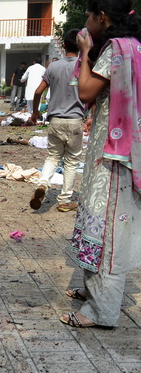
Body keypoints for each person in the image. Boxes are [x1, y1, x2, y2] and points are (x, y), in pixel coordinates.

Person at [60, 0, 141, 329]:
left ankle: (101, 311)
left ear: (102, 17)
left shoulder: (116, 50)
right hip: (125, 148)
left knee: (104, 227)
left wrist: (85, 50)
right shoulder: (135, 46)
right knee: (108, 224)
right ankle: (98, 293)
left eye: (90, 16)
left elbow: (85, 90)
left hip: (112, 152)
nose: (87, 22)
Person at [29, 29, 85, 212]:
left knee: (53, 157)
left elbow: (38, 91)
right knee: (71, 162)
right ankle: (64, 201)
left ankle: (43, 184)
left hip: (55, 120)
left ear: (63, 45)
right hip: (76, 119)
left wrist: (35, 112)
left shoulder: (52, 67)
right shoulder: (84, 65)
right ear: (81, 46)